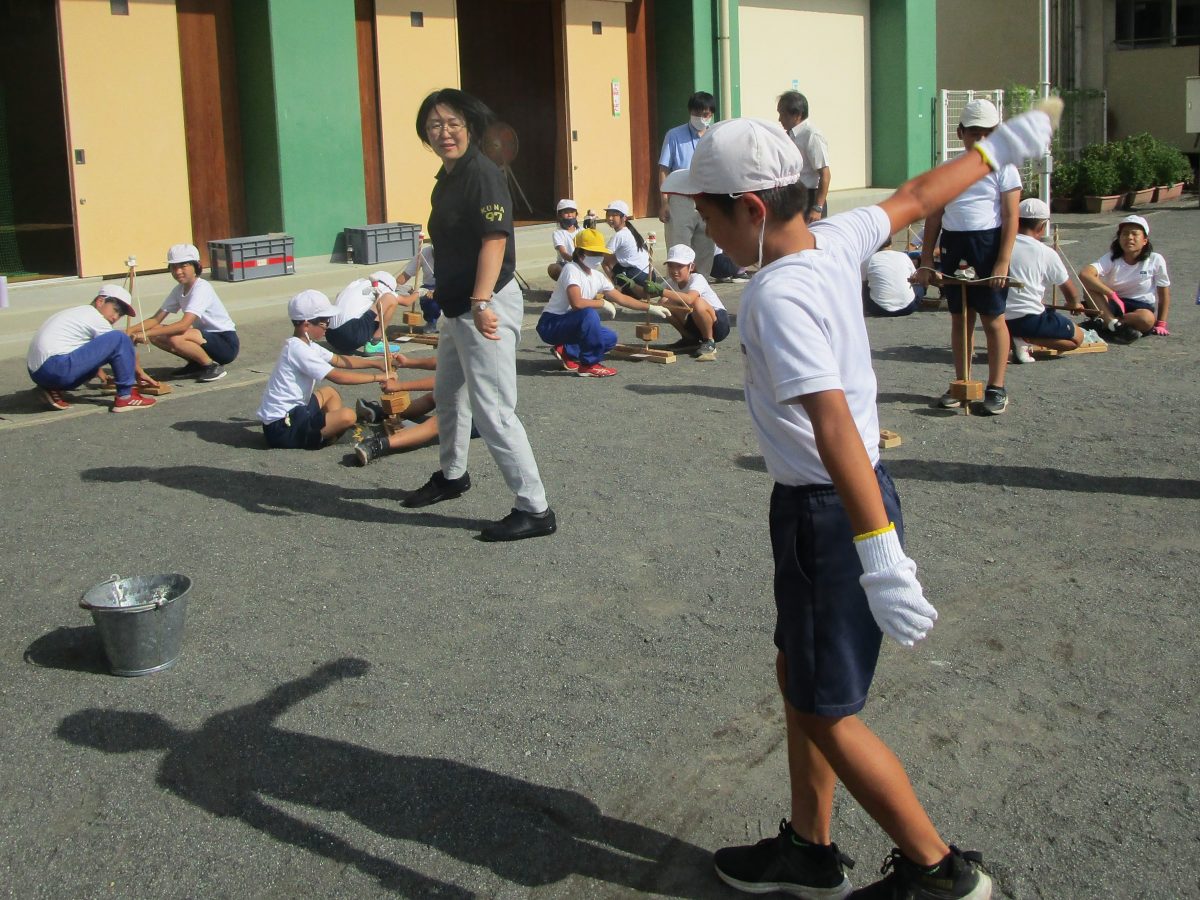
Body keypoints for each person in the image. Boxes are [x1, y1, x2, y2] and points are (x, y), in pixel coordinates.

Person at [662, 104, 1059, 898]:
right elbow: (916, 195)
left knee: (827, 711)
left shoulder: (775, 295)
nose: (702, 228)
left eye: (705, 211)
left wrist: (879, 557)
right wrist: (999, 149)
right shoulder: (833, 238)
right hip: (842, 500)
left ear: (751, 208)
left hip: (831, 509)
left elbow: (834, 422)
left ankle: (939, 871)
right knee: (799, 674)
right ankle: (809, 849)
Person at [406, 87, 556, 542]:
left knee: (494, 409)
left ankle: (535, 508)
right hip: (457, 306)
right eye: (435, 125)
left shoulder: (483, 174)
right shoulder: (447, 177)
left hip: (483, 305)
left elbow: (495, 239)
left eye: (452, 123)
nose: (444, 133)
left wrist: (481, 300)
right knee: (449, 395)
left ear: (469, 127)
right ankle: (453, 476)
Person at [915, 99, 1021, 416]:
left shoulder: (1005, 166)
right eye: (974, 133)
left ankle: (996, 387)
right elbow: (934, 216)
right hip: (954, 244)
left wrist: (1002, 261)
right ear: (961, 133)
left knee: (992, 317)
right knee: (960, 317)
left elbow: (1011, 216)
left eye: (988, 133)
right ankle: (962, 382)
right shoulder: (947, 169)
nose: (981, 139)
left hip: (987, 244)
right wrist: (926, 260)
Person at [256, 290, 405, 451]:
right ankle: (325, 434)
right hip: (282, 428)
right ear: (306, 325)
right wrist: (379, 377)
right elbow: (338, 376)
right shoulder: (299, 350)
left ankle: (334, 430)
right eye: (325, 322)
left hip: (297, 412)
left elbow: (339, 360)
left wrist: (377, 364)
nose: (328, 326)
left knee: (330, 393)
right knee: (348, 415)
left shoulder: (308, 345)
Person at [535, 227, 669, 378]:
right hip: (551, 324)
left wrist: (650, 307)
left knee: (609, 338)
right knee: (589, 314)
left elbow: (621, 298)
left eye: (600, 253)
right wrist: (602, 303)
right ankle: (588, 365)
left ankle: (566, 351)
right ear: (580, 253)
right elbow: (577, 303)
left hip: (572, 324)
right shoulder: (571, 269)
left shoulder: (597, 276)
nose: (598, 257)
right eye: (593, 253)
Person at [27, 285, 158, 412]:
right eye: (115, 310)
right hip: (55, 367)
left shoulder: (79, 312)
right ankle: (126, 397)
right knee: (120, 337)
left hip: (38, 373)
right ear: (100, 301)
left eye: (121, 314)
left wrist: (102, 374)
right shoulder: (95, 317)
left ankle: (50, 388)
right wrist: (139, 373)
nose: (116, 317)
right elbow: (121, 346)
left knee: (95, 365)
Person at [127, 243, 239, 383]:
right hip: (202, 337)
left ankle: (210, 366)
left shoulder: (202, 288)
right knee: (156, 333)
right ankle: (196, 363)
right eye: (174, 267)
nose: (178, 271)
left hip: (225, 342)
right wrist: (129, 331)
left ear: (196, 266)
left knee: (175, 338)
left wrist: (145, 334)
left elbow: (183, 325)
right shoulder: (179, 289)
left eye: (183, 266)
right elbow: (156, 319)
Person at [1003, 198, 1089, 361]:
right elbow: (1069, 290)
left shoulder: (1001, 246)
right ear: (1042, 226)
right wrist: (1074, 304)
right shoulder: (1045, 252)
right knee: (1077, 338)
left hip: (999, 316)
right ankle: (1023, 339)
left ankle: (1016, 337)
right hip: (1028, 318)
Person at [1078, 214, 1171, 344]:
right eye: (1125, 234)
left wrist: (1161, 323)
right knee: (1089, 284)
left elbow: (1163, 294)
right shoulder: (1111, 257)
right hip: (1111, 304)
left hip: (1140, 308)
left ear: (1145, 240)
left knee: (1147, 319)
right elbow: (1085, 274)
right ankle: (1112, 324)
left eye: (1135, 234)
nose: (1129, 238)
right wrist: (1111, 293)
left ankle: (1105, 324)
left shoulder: (1156, 259)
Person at [658, 91, 718, 276]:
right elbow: (663, 169)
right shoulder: (674, 135)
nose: (701, 117)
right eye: (696, 112)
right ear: (690, 112)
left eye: (705, 113)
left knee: (705, 250)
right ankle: (679, 289)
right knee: (679, 250)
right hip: (680, 200)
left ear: (711, 114)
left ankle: (700, 286)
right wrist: (664, 202)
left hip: (707, 200)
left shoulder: (715, 136)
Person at [656, 244, 730, 360]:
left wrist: (661, 291)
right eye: (671, 266)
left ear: (691, 267)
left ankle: (709, 341)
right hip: (695, 322)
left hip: (718, 324)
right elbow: (646, 294)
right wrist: (634, 285)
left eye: (679, 266)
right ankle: (689, 339)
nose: (674, 271)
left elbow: (690, 299)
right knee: (663, 302)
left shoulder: (697, 278)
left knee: (697, 302)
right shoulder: (670, 282)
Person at [777, 91, 831, 224]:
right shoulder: (789, 135)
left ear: (797, 115)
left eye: (783, 114)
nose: (779, 119)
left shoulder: (812, 136)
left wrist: (817, 208)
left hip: (810, 198)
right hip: (793, 197)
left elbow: (825, 175)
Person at [326, 271, 405, 356]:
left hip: (331, 336)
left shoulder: (356, 284)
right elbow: (407, 302)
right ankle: (375, 343)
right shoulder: (381, 287)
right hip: (350, 336)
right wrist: (415, 293)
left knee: (368, 309)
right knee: (390, 299)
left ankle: (354, 339)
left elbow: (338, 295)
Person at [602, 200, 658, 299]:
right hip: (651, 276)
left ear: (624, 218)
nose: (610, 218)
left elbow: (604, 258)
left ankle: (617, 288)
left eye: (614, 215)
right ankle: (628, 290)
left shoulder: (620, 235)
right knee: (613, 258)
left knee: (604, 261)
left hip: (640, 278)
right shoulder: (630, 231)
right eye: (608, 215)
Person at [862, 238, 924, 318]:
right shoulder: (904, 256)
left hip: (878, 308)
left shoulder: (869, 259)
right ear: (890, 244)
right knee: (920, 286)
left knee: (863, 284)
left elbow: (862, 281)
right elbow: (915, 277)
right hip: (908, 308)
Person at [397, 240, 440, 334]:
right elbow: (406, 274)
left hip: (450, 285)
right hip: (429, 286)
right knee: (427, 299)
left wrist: (437, 291)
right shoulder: (424, 252)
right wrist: (392, 285)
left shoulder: (453, 254)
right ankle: (431, 322)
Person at [548, 199, 580, 281]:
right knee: (553, 268)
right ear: (560, 215)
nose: (570, 215)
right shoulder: (558, 233)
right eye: (566, 212)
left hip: (582, 263)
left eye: (572, 212)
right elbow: (563, 253)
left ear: (576, 214)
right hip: (565, 264)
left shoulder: (582, 231)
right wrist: (576, 261)